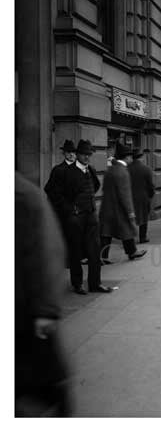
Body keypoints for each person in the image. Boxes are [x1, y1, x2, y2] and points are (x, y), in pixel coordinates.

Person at [15, 172, 72, 417]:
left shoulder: (23, 195)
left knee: (43, 384)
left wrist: (46, 310)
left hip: (25, 312)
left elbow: (47, 251)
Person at [60, 140, 112, 294]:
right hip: (76, 218)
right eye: (84, 154)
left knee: (94, 251)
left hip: (91, 216)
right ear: (77, 155)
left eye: (89, 155)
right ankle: (77, 284)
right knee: (76, 251)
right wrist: (70, 209)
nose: (87, 157)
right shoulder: (67, 172)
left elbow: (95, 186)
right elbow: (55, 193)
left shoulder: (91, 170)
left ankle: (95, 284)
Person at [100, 143, 147, 263]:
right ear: (126, 157)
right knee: (126, 229)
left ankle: (103, 256)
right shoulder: (123, 172)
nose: (132, 158)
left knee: (106, 232)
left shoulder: (111, 169)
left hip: (107, 207)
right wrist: (130, 211)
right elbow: (125, 195)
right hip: (118, 208)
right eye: (131, 156)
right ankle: (131, 252)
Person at [44, 139, 76, 230]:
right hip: (63, 213)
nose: (71, 154)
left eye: (73, 152)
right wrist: (63, 205)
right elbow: (48, 189)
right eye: (69, 152)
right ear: (64, 153)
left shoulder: (80, 169)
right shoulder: (58, 170)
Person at [128, 148, 155, 244]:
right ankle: (142, 237)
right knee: (143, 218)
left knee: (130, 218)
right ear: (141, 157)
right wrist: (150, 195)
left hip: (130, 197)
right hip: (143, 197)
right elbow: (150, 185)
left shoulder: (127, 168)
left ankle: (130, 238)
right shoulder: (146, 169)